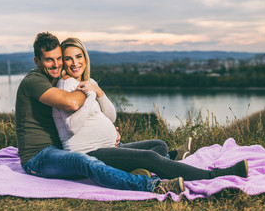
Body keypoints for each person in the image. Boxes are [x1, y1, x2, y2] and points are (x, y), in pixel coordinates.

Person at [51, 37, 249, 191]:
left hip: (106, 146)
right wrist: (92, 94)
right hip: (88, 155)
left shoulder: (88, 82)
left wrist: (99, 92)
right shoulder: (66, 85)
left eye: (79, 56)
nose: (75, 63)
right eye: (68, 58)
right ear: (63, 62)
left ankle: (148, 167)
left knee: (159, 145)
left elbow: (111, 117)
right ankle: (212, 176)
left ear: (85, 57)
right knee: (149, 157)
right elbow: (72, 126)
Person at [16, 32, 187, 195]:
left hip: (61, 148)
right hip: (39, 157)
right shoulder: (35, 81)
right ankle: (151, 185)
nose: (56, 64)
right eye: (48, 60)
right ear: (37, 62)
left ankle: (162, 161)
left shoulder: (58, 78)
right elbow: (72, 103)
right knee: (83, 161)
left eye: (59, 58)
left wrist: (109, 130)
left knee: (156, 146)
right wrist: (90, 88)